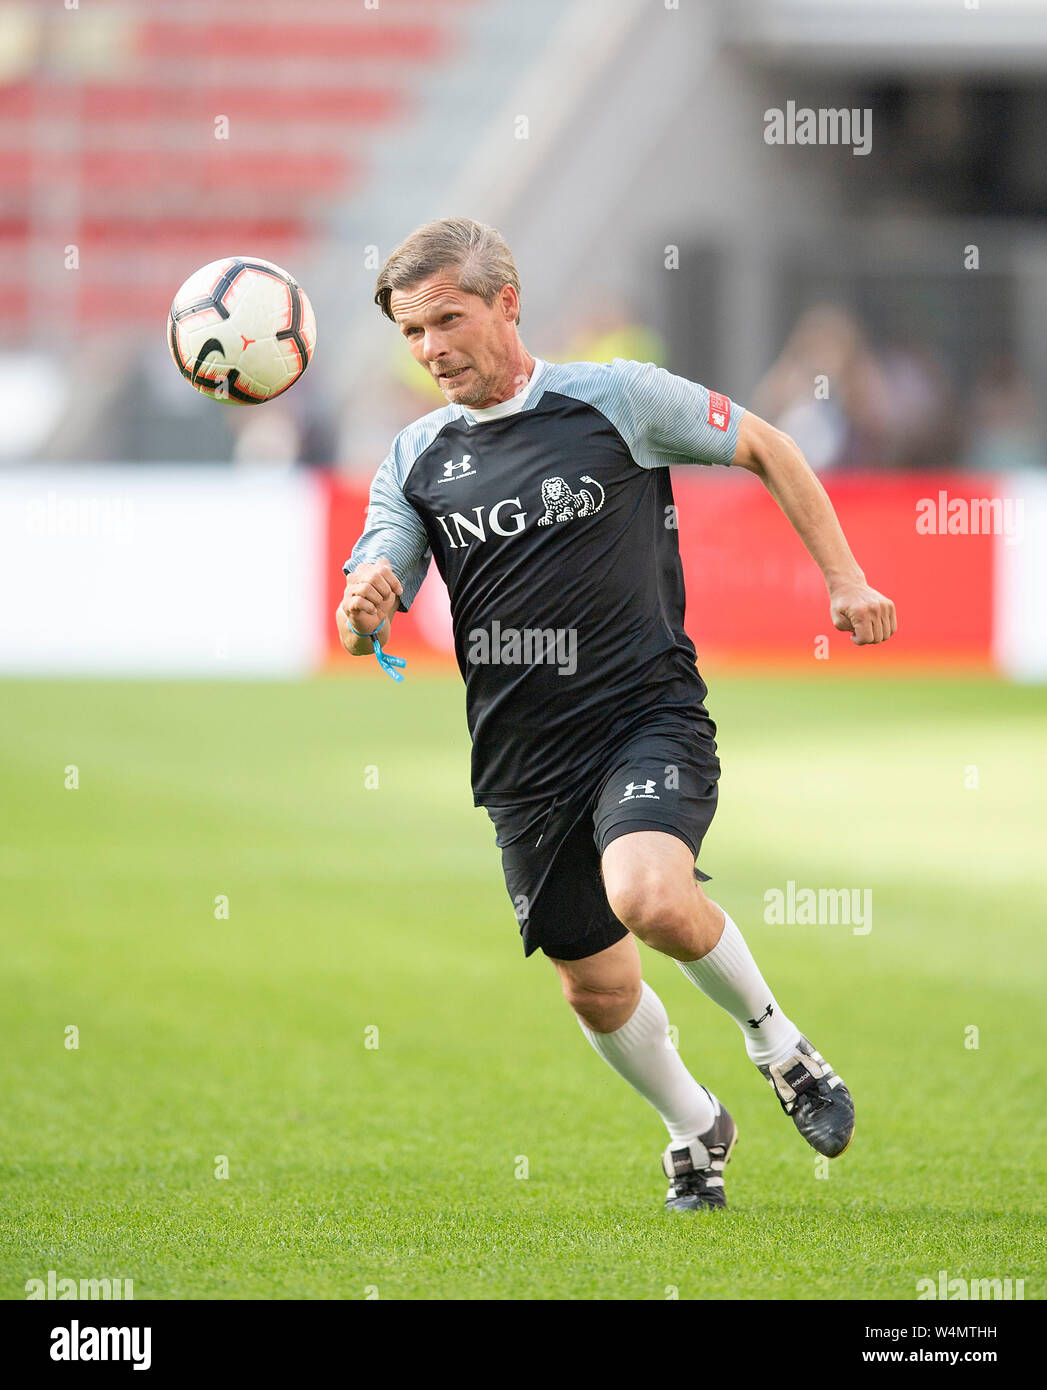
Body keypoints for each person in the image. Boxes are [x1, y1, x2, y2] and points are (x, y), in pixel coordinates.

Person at [337, 218, 897, 1212]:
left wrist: (845, 580)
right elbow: (380, 565)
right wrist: (364, 601)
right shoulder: (416, 456)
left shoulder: (618, 399)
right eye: (412, 332)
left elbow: (764, 444)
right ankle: (694, 1126)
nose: (430, 350)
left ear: (508, 303)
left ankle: (783, 1048)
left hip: (647, 716)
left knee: (650, 895)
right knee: (594, 987)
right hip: (522, 760)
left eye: (448, 320)